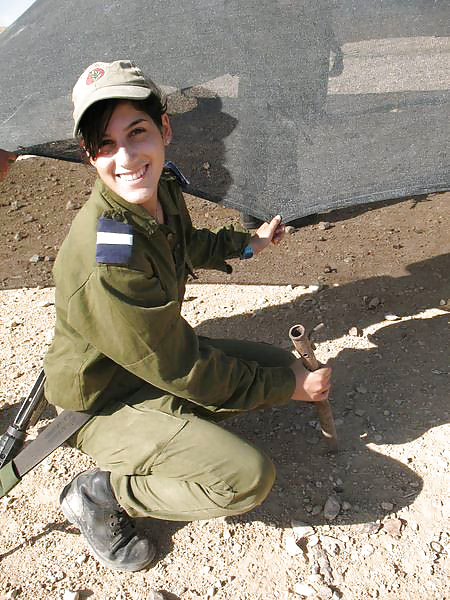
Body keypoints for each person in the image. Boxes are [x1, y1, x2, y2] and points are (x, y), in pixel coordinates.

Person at [43, 60, 332, 572]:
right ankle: (100, 493)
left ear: (164, 129)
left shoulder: (160, 192)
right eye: (105, 145)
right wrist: (286, 390)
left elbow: (186, 243)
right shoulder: (107, 255)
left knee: (276, 364)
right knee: (247, 476)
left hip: (146, 364)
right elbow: (179, 366)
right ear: (89, 155)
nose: (127, 157)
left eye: (137, 133)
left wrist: (249, 245)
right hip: (103, 399)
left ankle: (185, 425)